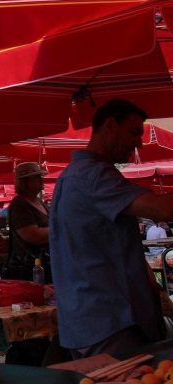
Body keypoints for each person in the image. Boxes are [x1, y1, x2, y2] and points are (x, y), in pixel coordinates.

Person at [51, 98, 173, 358]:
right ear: (110, 126)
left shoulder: (71, 175)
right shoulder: (93, 176)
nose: (138, 142)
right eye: (134, 132)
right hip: (109, 320)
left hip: (89, 318)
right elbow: (163, 209)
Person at [4, 162, 51, 282]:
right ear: (25, 182)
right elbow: (32, 235)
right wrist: (60, 229)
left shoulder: (40, 202)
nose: (42, 180)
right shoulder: (19, 204)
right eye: (37, 177)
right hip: (29, 268)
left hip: (46, 263)